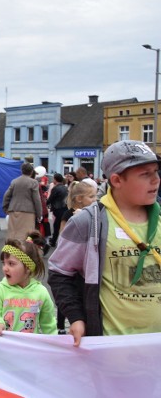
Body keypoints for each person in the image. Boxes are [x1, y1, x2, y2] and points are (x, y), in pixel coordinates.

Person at [49, 140, 161, 347]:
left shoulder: (160, 219)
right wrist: (76, 317)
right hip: (112, 348)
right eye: (146, 174)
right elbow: (59, 273)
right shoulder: (87, 222)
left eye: (156, 172)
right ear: (117, 180)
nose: (156, 180)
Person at [0, 232, 57, 336]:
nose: (5, 268)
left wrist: (55, 343)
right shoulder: (0, 290)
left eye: (11, 263)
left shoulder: (41, 292)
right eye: (3, 263)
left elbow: (48, 324)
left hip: (29, 347)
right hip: (4, 345)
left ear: (28, 268)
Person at [52, 180, 97, 334]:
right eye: (91, 197)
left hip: (86, 265)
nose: (95, 200)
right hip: (72, 263)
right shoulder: (70, 214)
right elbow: (63, 234)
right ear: (79, 199)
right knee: (69, 296)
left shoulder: (95, 216)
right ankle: (60, 326)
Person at [3, 163, 42, 241]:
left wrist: (6, 207)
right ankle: (22, 251)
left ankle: (9, 251)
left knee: (12, 233)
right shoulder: (33, 182)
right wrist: (39, 214)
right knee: (26, 235)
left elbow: (6, 196)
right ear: (31, 172)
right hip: (28, 211)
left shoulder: (14, 181)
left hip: (14, 210)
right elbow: (37, 200)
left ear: (22, 171)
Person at [46, 173, 68, 247]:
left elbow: (50, 199)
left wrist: (44, 204)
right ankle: (55, 240)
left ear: (55, 180)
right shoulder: (65, 188)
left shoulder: (56, 188)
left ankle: (54, 241)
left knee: (56, 226)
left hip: (58, 209)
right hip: (65, 208)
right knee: (61, 225)